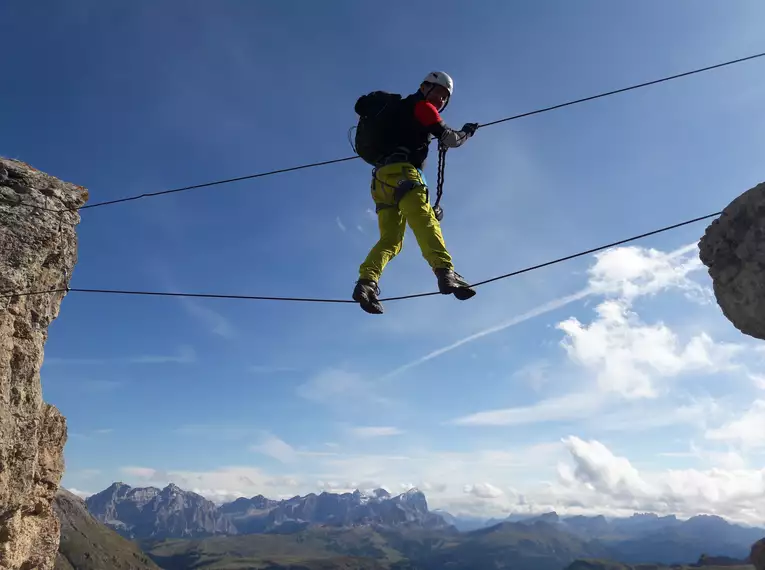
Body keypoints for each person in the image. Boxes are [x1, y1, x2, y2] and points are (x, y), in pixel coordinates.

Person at [352, 71, 479, 314]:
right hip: (404, 174)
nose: (441, 100)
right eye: (439, 92)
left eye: (445, 97)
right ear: (424, 87)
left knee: (391, 240)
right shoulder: (422, 107)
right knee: (425, 222)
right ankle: (446, 272)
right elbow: (451, 139)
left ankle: (366, 282)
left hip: (380, 182)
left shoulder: (394, 110)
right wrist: (467, 132)